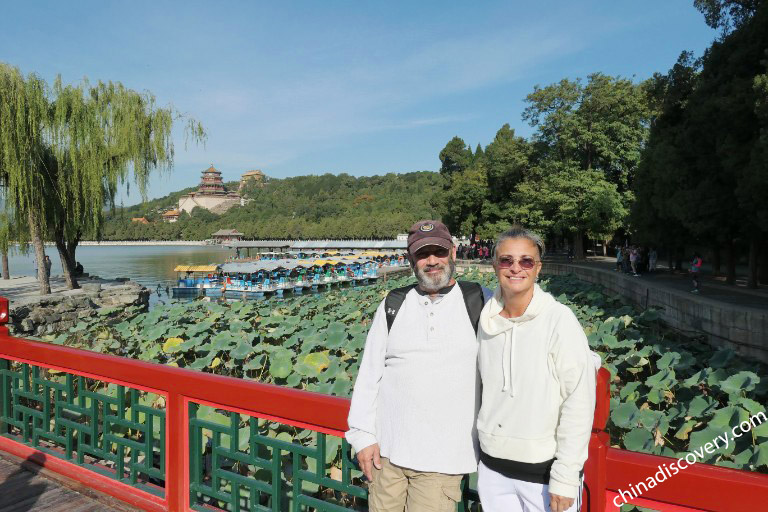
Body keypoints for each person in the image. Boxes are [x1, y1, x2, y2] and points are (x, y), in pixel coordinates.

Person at [346, 219, 490, 511]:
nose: (432, 261)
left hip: (443, 460)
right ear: (411, 259)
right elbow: (370, 374)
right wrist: (361, 437)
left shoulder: (479, 300)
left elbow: (525, 327)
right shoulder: (393, 303)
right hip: (386, 455)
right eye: (423, 254)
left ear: (452, 252)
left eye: (439, 251)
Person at [476, 226, 596, 512]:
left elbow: (578, 400)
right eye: (506, 260)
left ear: (538, 268)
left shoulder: (559, 320)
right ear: (495, 266)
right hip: (492, 469)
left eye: (526, 261)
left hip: (543, 475)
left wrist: (566, 477)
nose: (515, 268)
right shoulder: (484, 319)